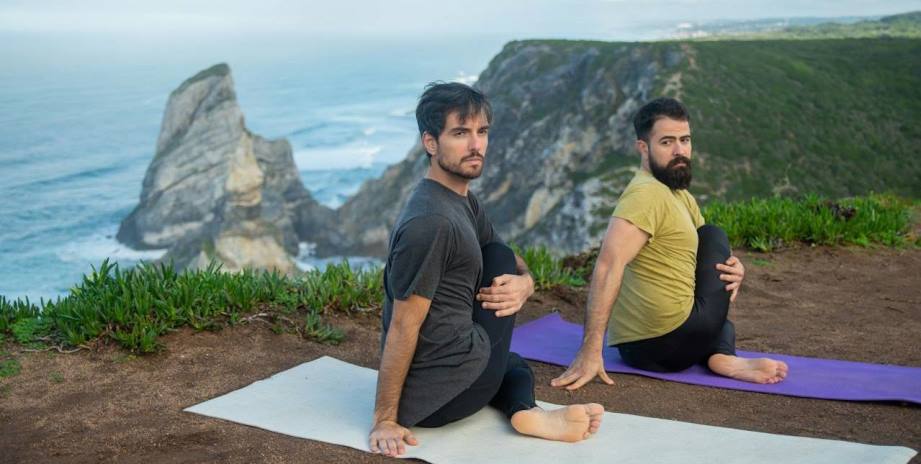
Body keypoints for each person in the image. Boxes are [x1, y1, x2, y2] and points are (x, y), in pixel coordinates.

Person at [369, 82, 604, 458]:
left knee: (511, 348)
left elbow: (507, 255)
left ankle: (525, 413)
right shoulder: (431, 222)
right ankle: (527, 410)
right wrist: (385, 418)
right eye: (460, 133)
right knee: (513, 360)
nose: (476, 145)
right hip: (444, 398)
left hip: (446, 386)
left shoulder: (460, 199)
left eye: (481, 132)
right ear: (431, 143)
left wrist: (526, 283)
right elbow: (402, 323)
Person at [551, 97, 789, 392]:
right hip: (667, 342)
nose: (680, 151)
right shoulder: (644, 195)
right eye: (666, 142)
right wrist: (590, 352)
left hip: (646, 347)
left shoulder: (677, 194)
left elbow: (702, 259)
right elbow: (607, 267)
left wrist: (734, 267)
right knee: (714, 234)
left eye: (685, 140)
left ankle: (721, 356)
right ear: (643, 148)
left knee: (716, 284)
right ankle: (721, 353)